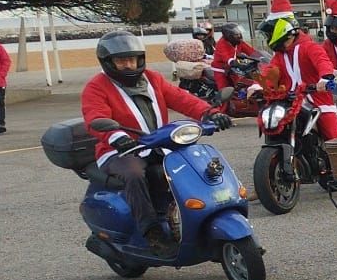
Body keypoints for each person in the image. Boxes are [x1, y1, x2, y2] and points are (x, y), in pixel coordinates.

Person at [81, 31, 229, 254]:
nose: (129, 65)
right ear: (108, 62)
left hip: (157, 143)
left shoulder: (153, 79)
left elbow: (182, 98)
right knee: (134, 174)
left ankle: (191, 221)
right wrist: (117, 138)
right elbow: (94, 117)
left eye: (132, 59)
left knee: (188, 167)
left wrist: (210, 113)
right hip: (118, 151)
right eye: (122, 61)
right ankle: (152, 233)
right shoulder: (96, 87)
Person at [256, 0, 337, 148]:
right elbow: (270, 72)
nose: (267, 38)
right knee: (272, 124)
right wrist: (257, 85)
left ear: (281, 29)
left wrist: (326, 78)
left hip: (317, 100)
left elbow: (322, 61)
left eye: (269, 34)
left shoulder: (309, 47)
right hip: (288, 102)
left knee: (334, 140)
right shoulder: (280, 54)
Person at [209, 22, 263, 92]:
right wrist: (234, 62)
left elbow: (250, 51)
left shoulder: (238, 42)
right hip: (221, 70)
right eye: (236, 34)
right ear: (229, 35)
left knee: (243, 83)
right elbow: (226, 57)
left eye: (239, 34)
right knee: (225, 90)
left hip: (234, 68)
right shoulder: (221, 44)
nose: (239, 36)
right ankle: (223, 102)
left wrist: (262, 57)